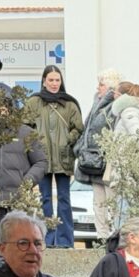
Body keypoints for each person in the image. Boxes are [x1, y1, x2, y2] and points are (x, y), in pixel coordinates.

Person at [24, 65, 83, 248]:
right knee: (45, 199)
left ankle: (65, 240)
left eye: (57, 80)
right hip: (41, 158)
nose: (54, 83)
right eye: (51, 80)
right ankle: (45, 239)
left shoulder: (69, 103)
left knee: (65, 199)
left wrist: (67, 140)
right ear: (43, 81)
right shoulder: (33, 102)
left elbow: (78, 128)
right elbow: (25, 126)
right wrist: (35, 145)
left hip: (63, 157)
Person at [0, 107, 47, 219]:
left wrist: (26, 182)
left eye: (4, 108)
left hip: (19, 202)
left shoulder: (27, 133)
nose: (1, 112)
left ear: (11, 108)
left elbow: (41, 162)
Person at [74, 68, 121, 240]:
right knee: (98, 203)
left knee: (112, 202)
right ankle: (102, 238)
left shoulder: (114, 106)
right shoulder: (96, 104)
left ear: (110, 87)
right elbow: (88, 129)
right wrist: (80, 148)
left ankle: (115, 237)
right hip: (93, 162)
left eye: (101, 84)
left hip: (107, 162)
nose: (97, 88)